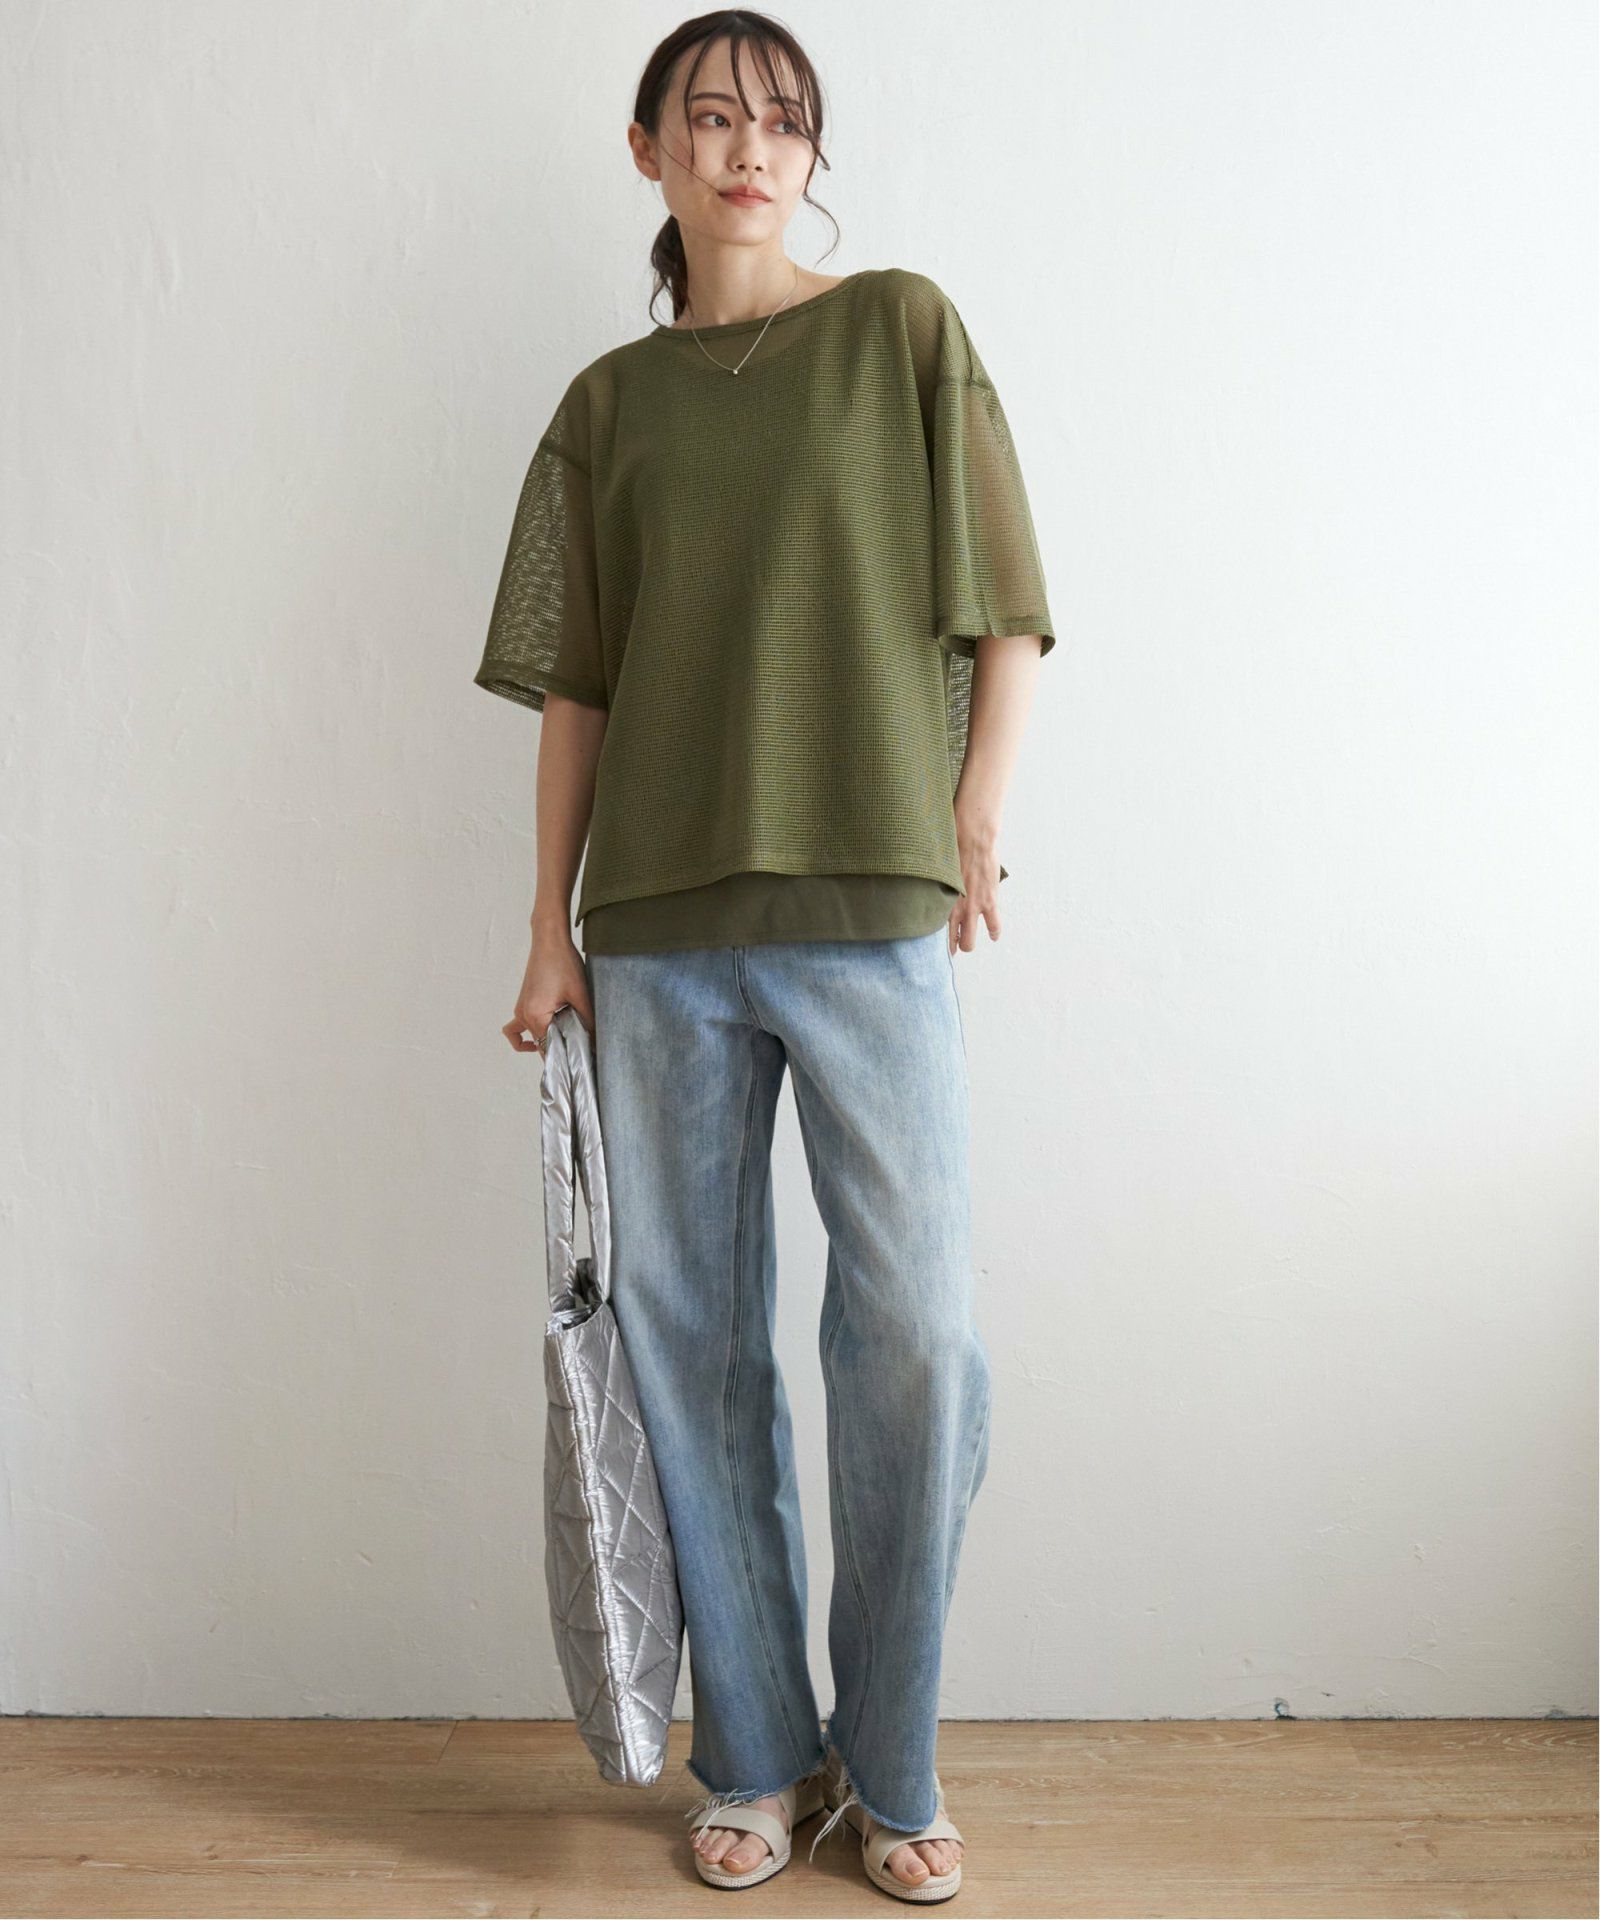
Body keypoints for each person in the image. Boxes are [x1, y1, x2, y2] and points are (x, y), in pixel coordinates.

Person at [475, 10, 1056, 1901]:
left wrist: (975, 818)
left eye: (783, 122)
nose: (749, 149)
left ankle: (892, 1765)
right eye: (711, 117)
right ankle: (756, 1757)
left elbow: (1007, 606)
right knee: (693, 1348)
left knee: (919, 1346)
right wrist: (547, 927)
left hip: (871, 913)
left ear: (814, 156)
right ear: (646, 147)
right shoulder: (608, 408)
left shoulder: (899, 331)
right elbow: (576, 683)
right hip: (657, 931)